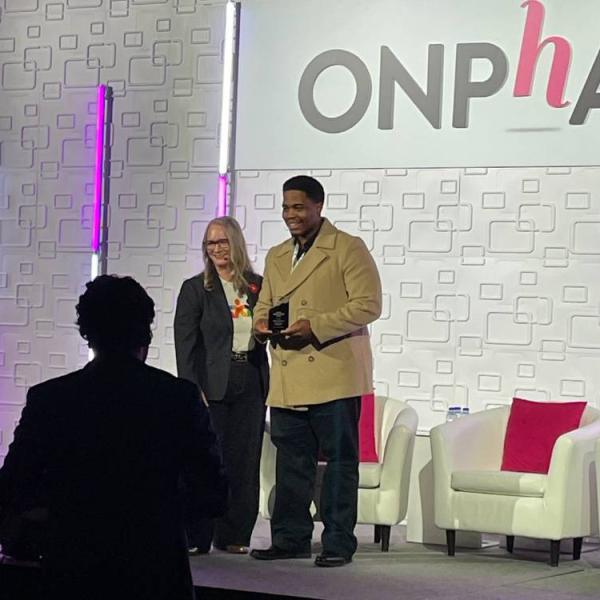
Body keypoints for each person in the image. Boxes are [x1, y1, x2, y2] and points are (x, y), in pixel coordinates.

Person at [0, 275, 227, 600]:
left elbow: (14, 487)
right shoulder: (179, 398)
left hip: (73, 571)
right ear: (145, 332)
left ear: (87, 332)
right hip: (157, 572)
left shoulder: (50, 399)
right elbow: (213, 493)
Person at [250, 175, 382, 567]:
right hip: (289, 374)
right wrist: (260, 325)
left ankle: (339, 542)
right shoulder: (277, 255)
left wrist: (316, 326)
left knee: (340, 463)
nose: (291, 215)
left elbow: (368, 304)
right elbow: (265, 304)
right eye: (286, 207)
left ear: (318, 206)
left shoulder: (347, 248)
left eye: (299, 207)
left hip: (334, 372)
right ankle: (290, 538)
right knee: (291, 463)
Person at [174, 216, 268, 555]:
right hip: (211, 382)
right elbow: (185, 345)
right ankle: (197, 534)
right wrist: (190, 389)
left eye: (222, 242)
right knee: (206, 459)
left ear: (236, 243)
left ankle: (235, 534)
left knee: (245, 460)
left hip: (251, 380)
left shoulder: (258, 286)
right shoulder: (196, 288)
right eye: (210, 243)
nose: (216, 249)